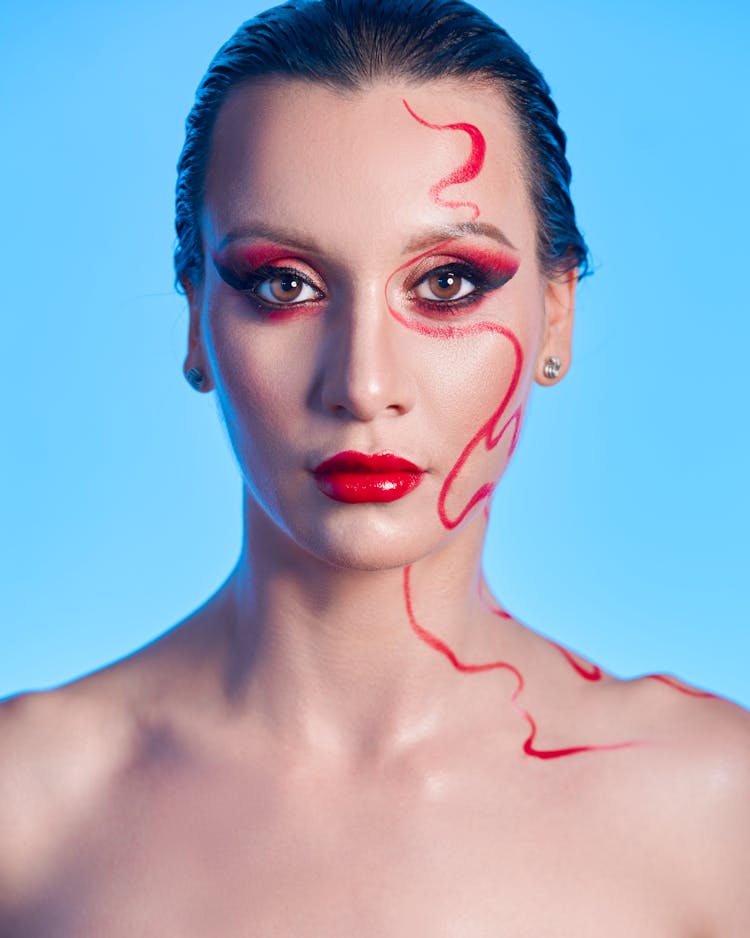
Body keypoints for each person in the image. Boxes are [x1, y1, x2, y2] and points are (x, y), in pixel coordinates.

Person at [1, 0, 748, 933]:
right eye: (285, 284)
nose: (361, 383)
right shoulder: (24, 811)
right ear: (195, 316)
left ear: (557, 315)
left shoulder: (721, 811)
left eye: (446, 283)